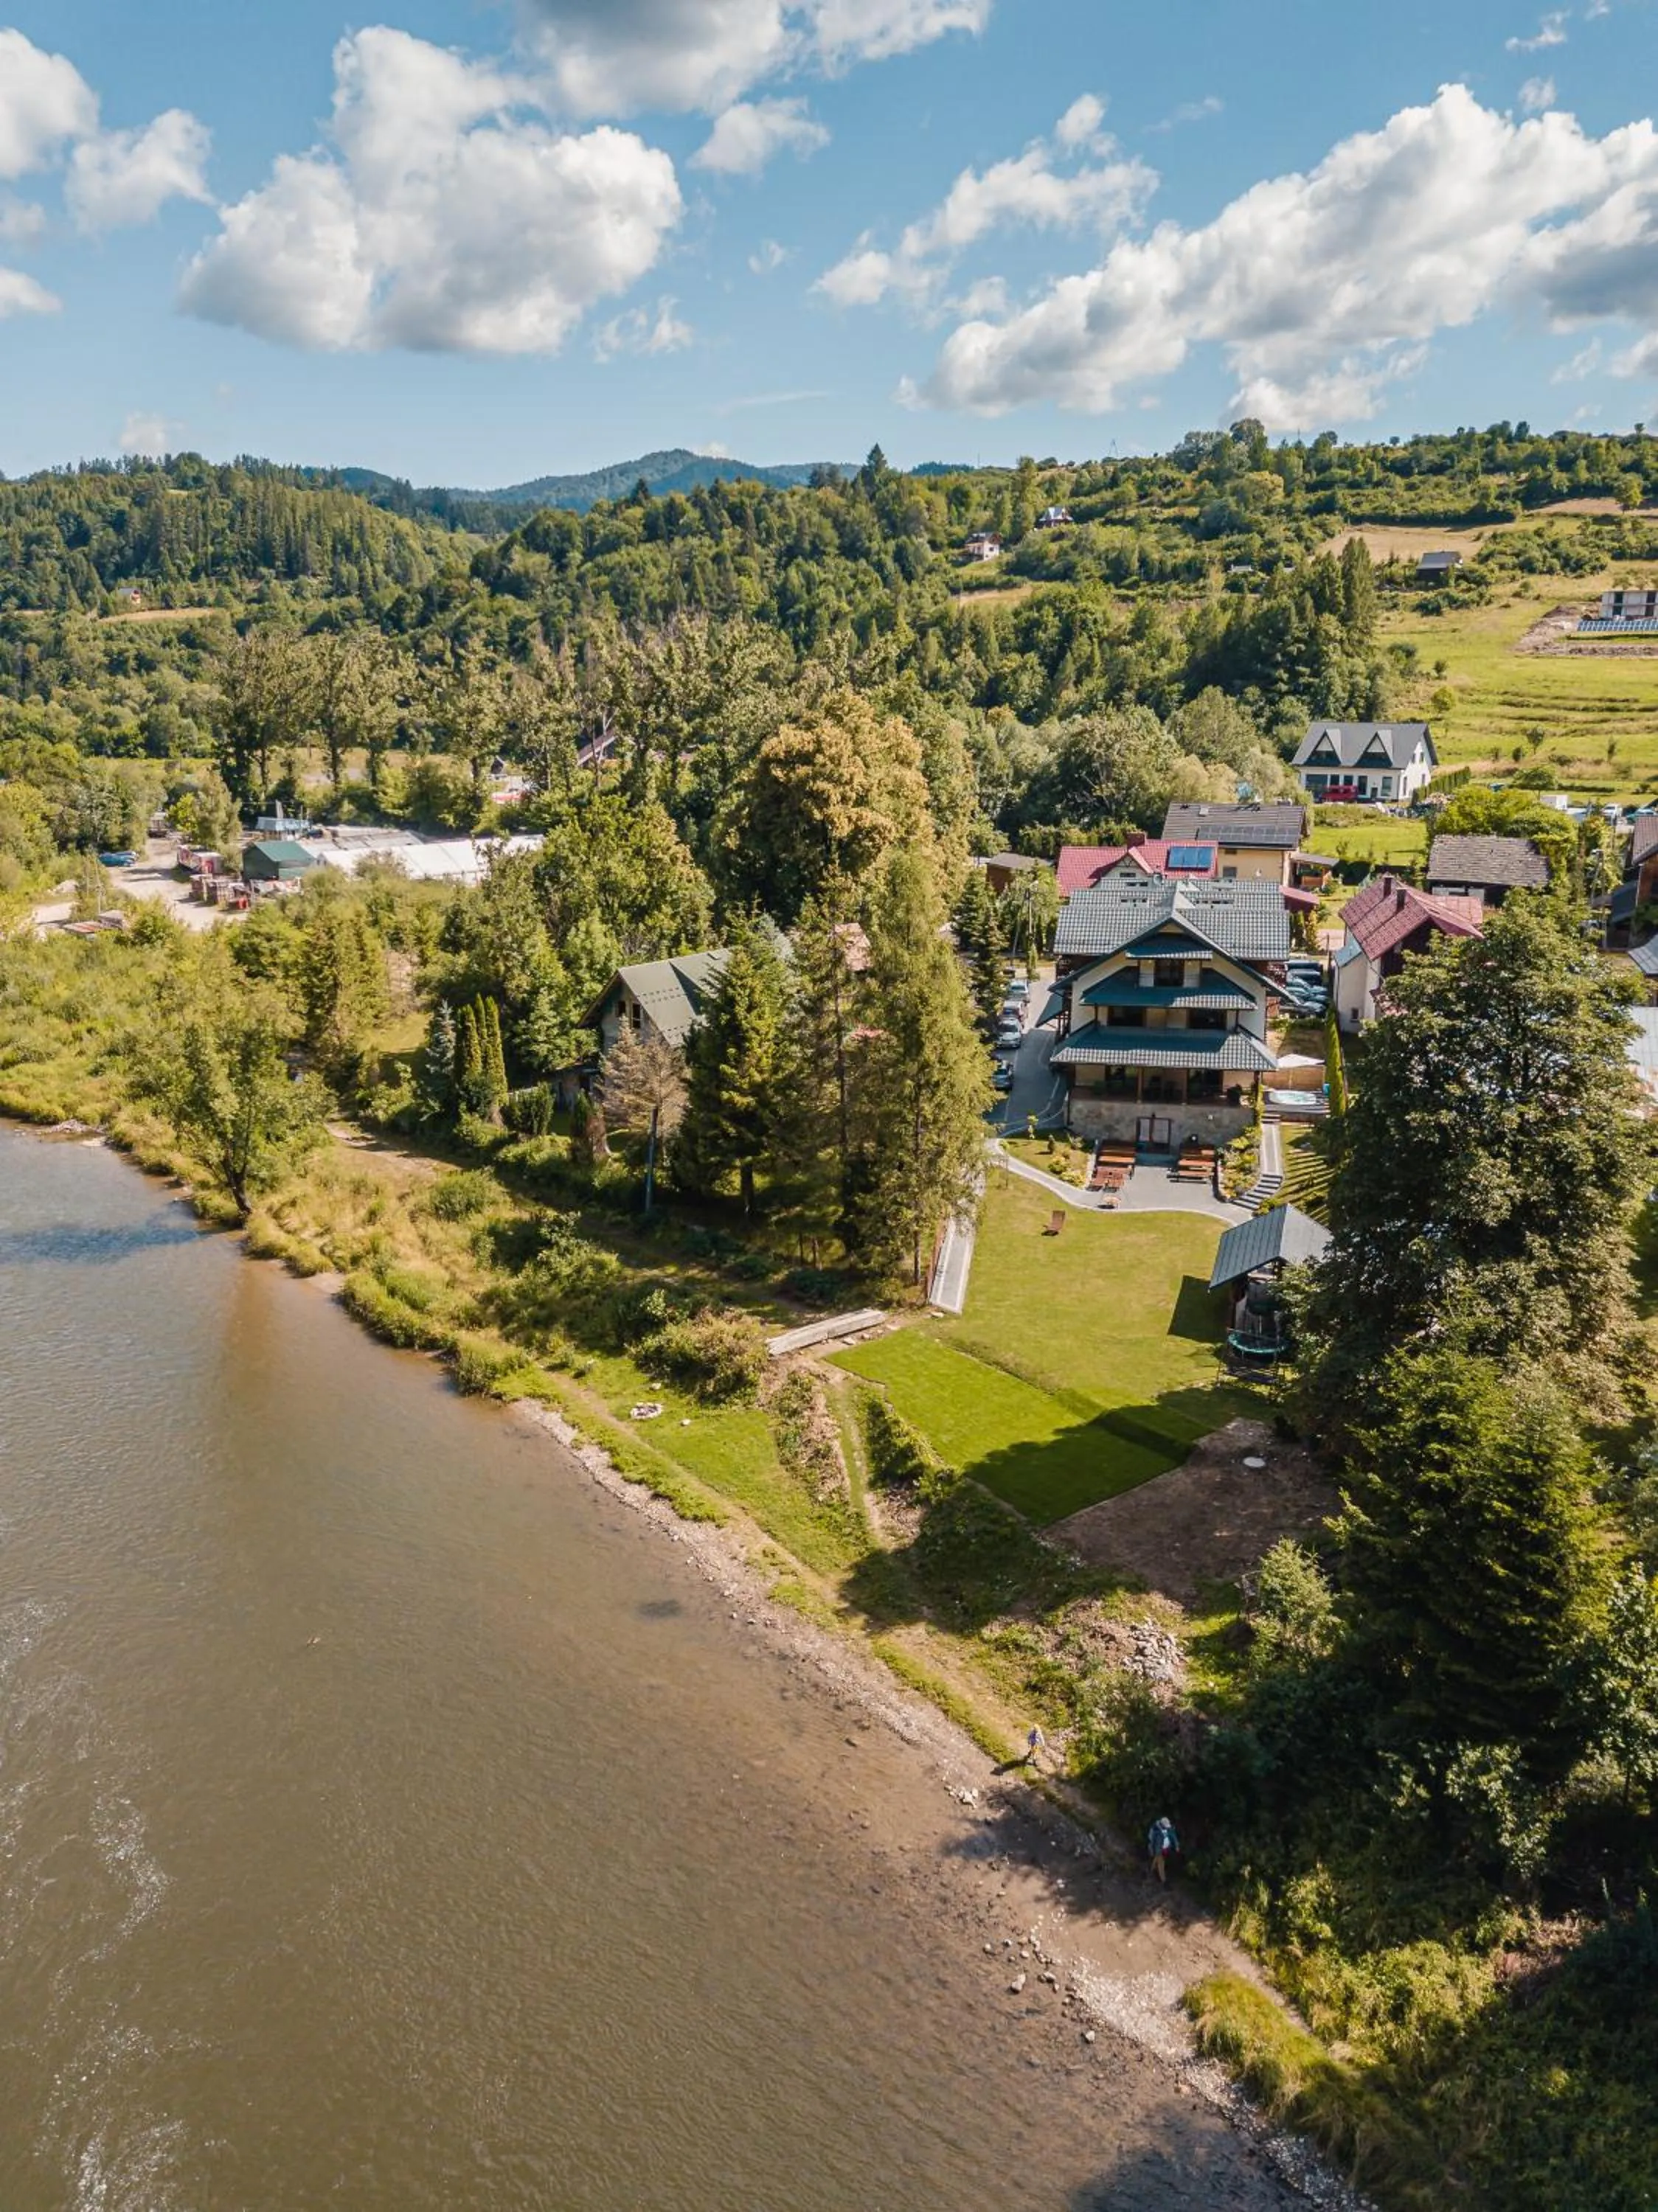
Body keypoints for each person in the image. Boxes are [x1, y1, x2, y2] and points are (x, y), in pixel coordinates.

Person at [1147, 1814, 1179, 1883]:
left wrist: (1176, 1845)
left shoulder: (1169, 1830)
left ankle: (1150, 1873)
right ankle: (1163, 1880)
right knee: (1161, 1864)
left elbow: (1173, 1836)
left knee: (1155, 1861)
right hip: (1158, 1850)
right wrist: (1153, 1850)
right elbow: (1152, 1841)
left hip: (1165, 1849)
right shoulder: (1156, 1831)